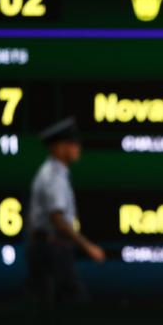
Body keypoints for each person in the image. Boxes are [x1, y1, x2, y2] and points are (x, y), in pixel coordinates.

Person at [26, 117, 105, 304]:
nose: (77, 148)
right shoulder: (54, 177)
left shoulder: (53, 172)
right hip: (52, 252)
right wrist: (88, 247)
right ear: (58, 148)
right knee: (74, 303)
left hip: (46, 249)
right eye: (71, 144)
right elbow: (58, 220)